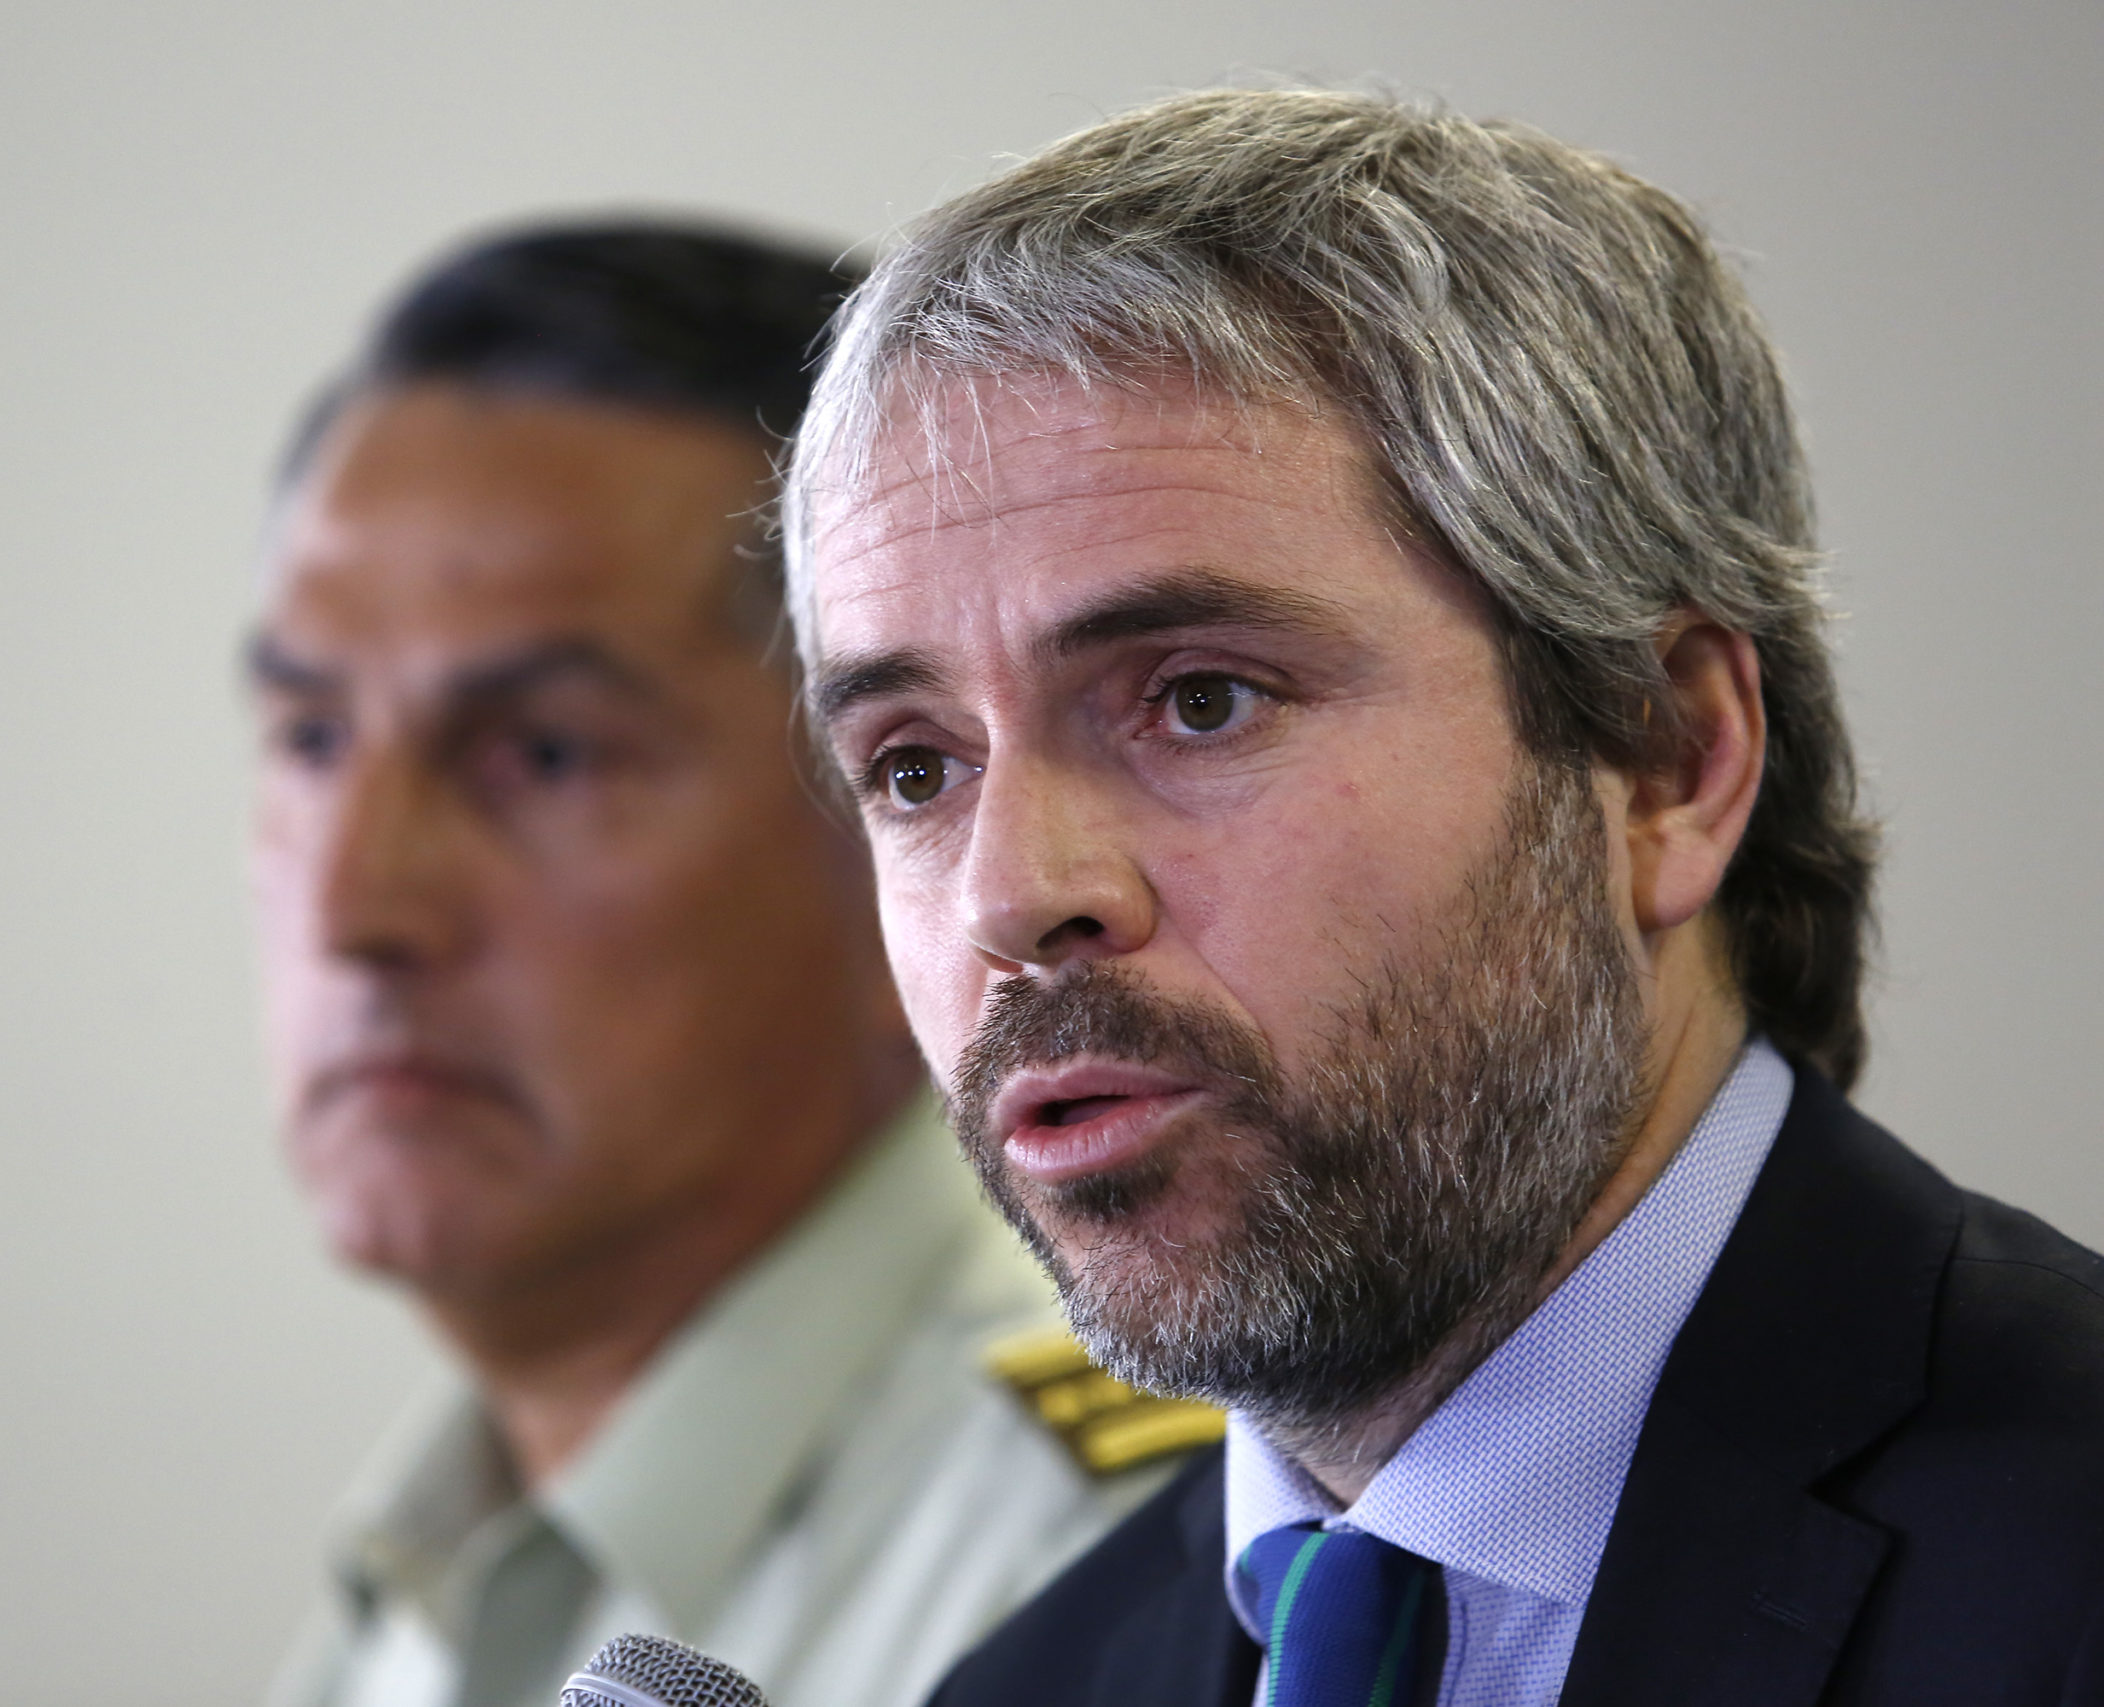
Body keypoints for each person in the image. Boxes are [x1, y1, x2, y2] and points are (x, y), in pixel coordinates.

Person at [783, 90, 2104, 1707]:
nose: (1010, 895)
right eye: (915, 767)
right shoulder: (1027, 1690)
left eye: (1199, 700)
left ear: (1667, 759)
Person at [247, 222, 1209, 1707]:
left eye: (545, 755)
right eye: (313, 738)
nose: (355, 910)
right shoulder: (419, 1578)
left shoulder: (1118, 1565)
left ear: (891, 824)